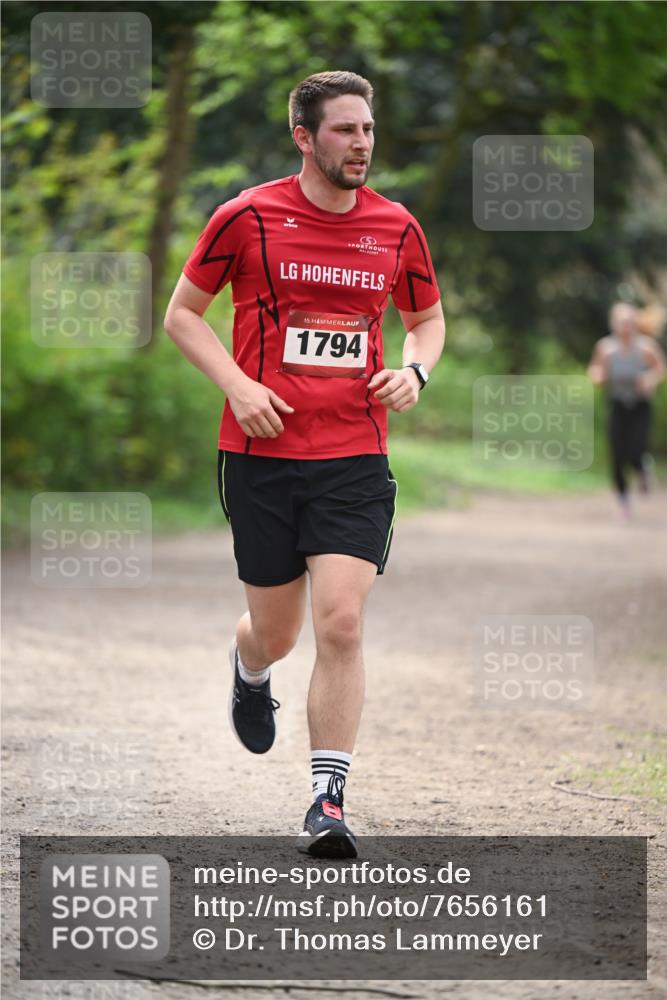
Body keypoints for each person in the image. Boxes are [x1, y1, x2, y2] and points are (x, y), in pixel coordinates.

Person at [164, 70, 445, 857]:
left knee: (342, 623)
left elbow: (426, 320)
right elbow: (183, 315)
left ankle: (327, 801)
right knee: (277, 632)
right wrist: (237, 384)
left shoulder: (395, 227)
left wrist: (415, 371)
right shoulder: (246, 216)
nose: (361, 143)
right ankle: (249, 666)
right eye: (344, 130)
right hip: (260, 454)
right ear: (303, 137)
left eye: (367, 129)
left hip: (354, 455)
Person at [587, 302, 665, 517]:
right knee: (617, 454)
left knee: (636, 449)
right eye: (622, 322)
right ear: (613, 324)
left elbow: (660, 368)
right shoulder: (606, 348)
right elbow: (594, 370)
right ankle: (623, 502)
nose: (625, 327)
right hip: (617, 405)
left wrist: (650, 378)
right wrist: (598, 376)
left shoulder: (646, 347)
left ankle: (642, 469)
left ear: (635, 324)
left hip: (641, 406)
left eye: (629, 322)